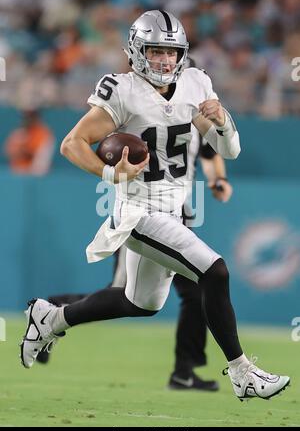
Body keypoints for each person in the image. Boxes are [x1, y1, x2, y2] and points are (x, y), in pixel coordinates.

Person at [20, 10, 290, 401]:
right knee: (215, 272)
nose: (165, 60)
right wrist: (111, 175)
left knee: (139, 303)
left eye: (171, 52)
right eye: (156, 50)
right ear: (136, 50)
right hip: (139, 211)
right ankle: (242, 372)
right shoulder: (123, 90)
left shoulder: (197, 82)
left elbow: (229, 150)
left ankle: (52, 317)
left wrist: (223, 120)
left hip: (173, 209)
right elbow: (71, 143)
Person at [36, 131, 232, 393]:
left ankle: (184, 371)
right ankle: (54, 312)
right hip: (143, 214)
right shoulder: (146, 111)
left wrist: (218, 178)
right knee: (121, 293)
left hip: (178, 214)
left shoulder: (192, 109)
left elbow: (210, 152)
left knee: (196, 291)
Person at [4, 109, 55, 175]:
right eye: (25, 116)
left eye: (30, 116)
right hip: (17, 173)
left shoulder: (45, 134)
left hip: (36, 174)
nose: (27, 119)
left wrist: (25, 152)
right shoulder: (19, 132)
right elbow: (8, 153)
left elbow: (42, 160)